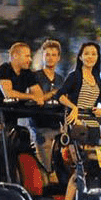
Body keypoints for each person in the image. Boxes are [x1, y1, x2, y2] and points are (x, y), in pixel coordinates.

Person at [55, 42, 101, 200]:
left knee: (99, 167)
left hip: (94, 128)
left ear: (97, 57)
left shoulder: (98, 79)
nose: (90, 57)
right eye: (86, 53)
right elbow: (60, 95)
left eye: (93, 54)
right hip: (78, 128)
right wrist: (74, 107)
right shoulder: (75, 76)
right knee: (81, 169)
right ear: (80, 57)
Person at [31, 39, 64, 174]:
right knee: (46, 169)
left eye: (54, 55)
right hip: (40, 130)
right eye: (47, 54)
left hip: (58, 130)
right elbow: (36, 99)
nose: (50, 58)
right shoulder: (35, 77)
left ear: (58, 58)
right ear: (43, 56)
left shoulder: (61, 79)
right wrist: (53, 93)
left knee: (60, 168)